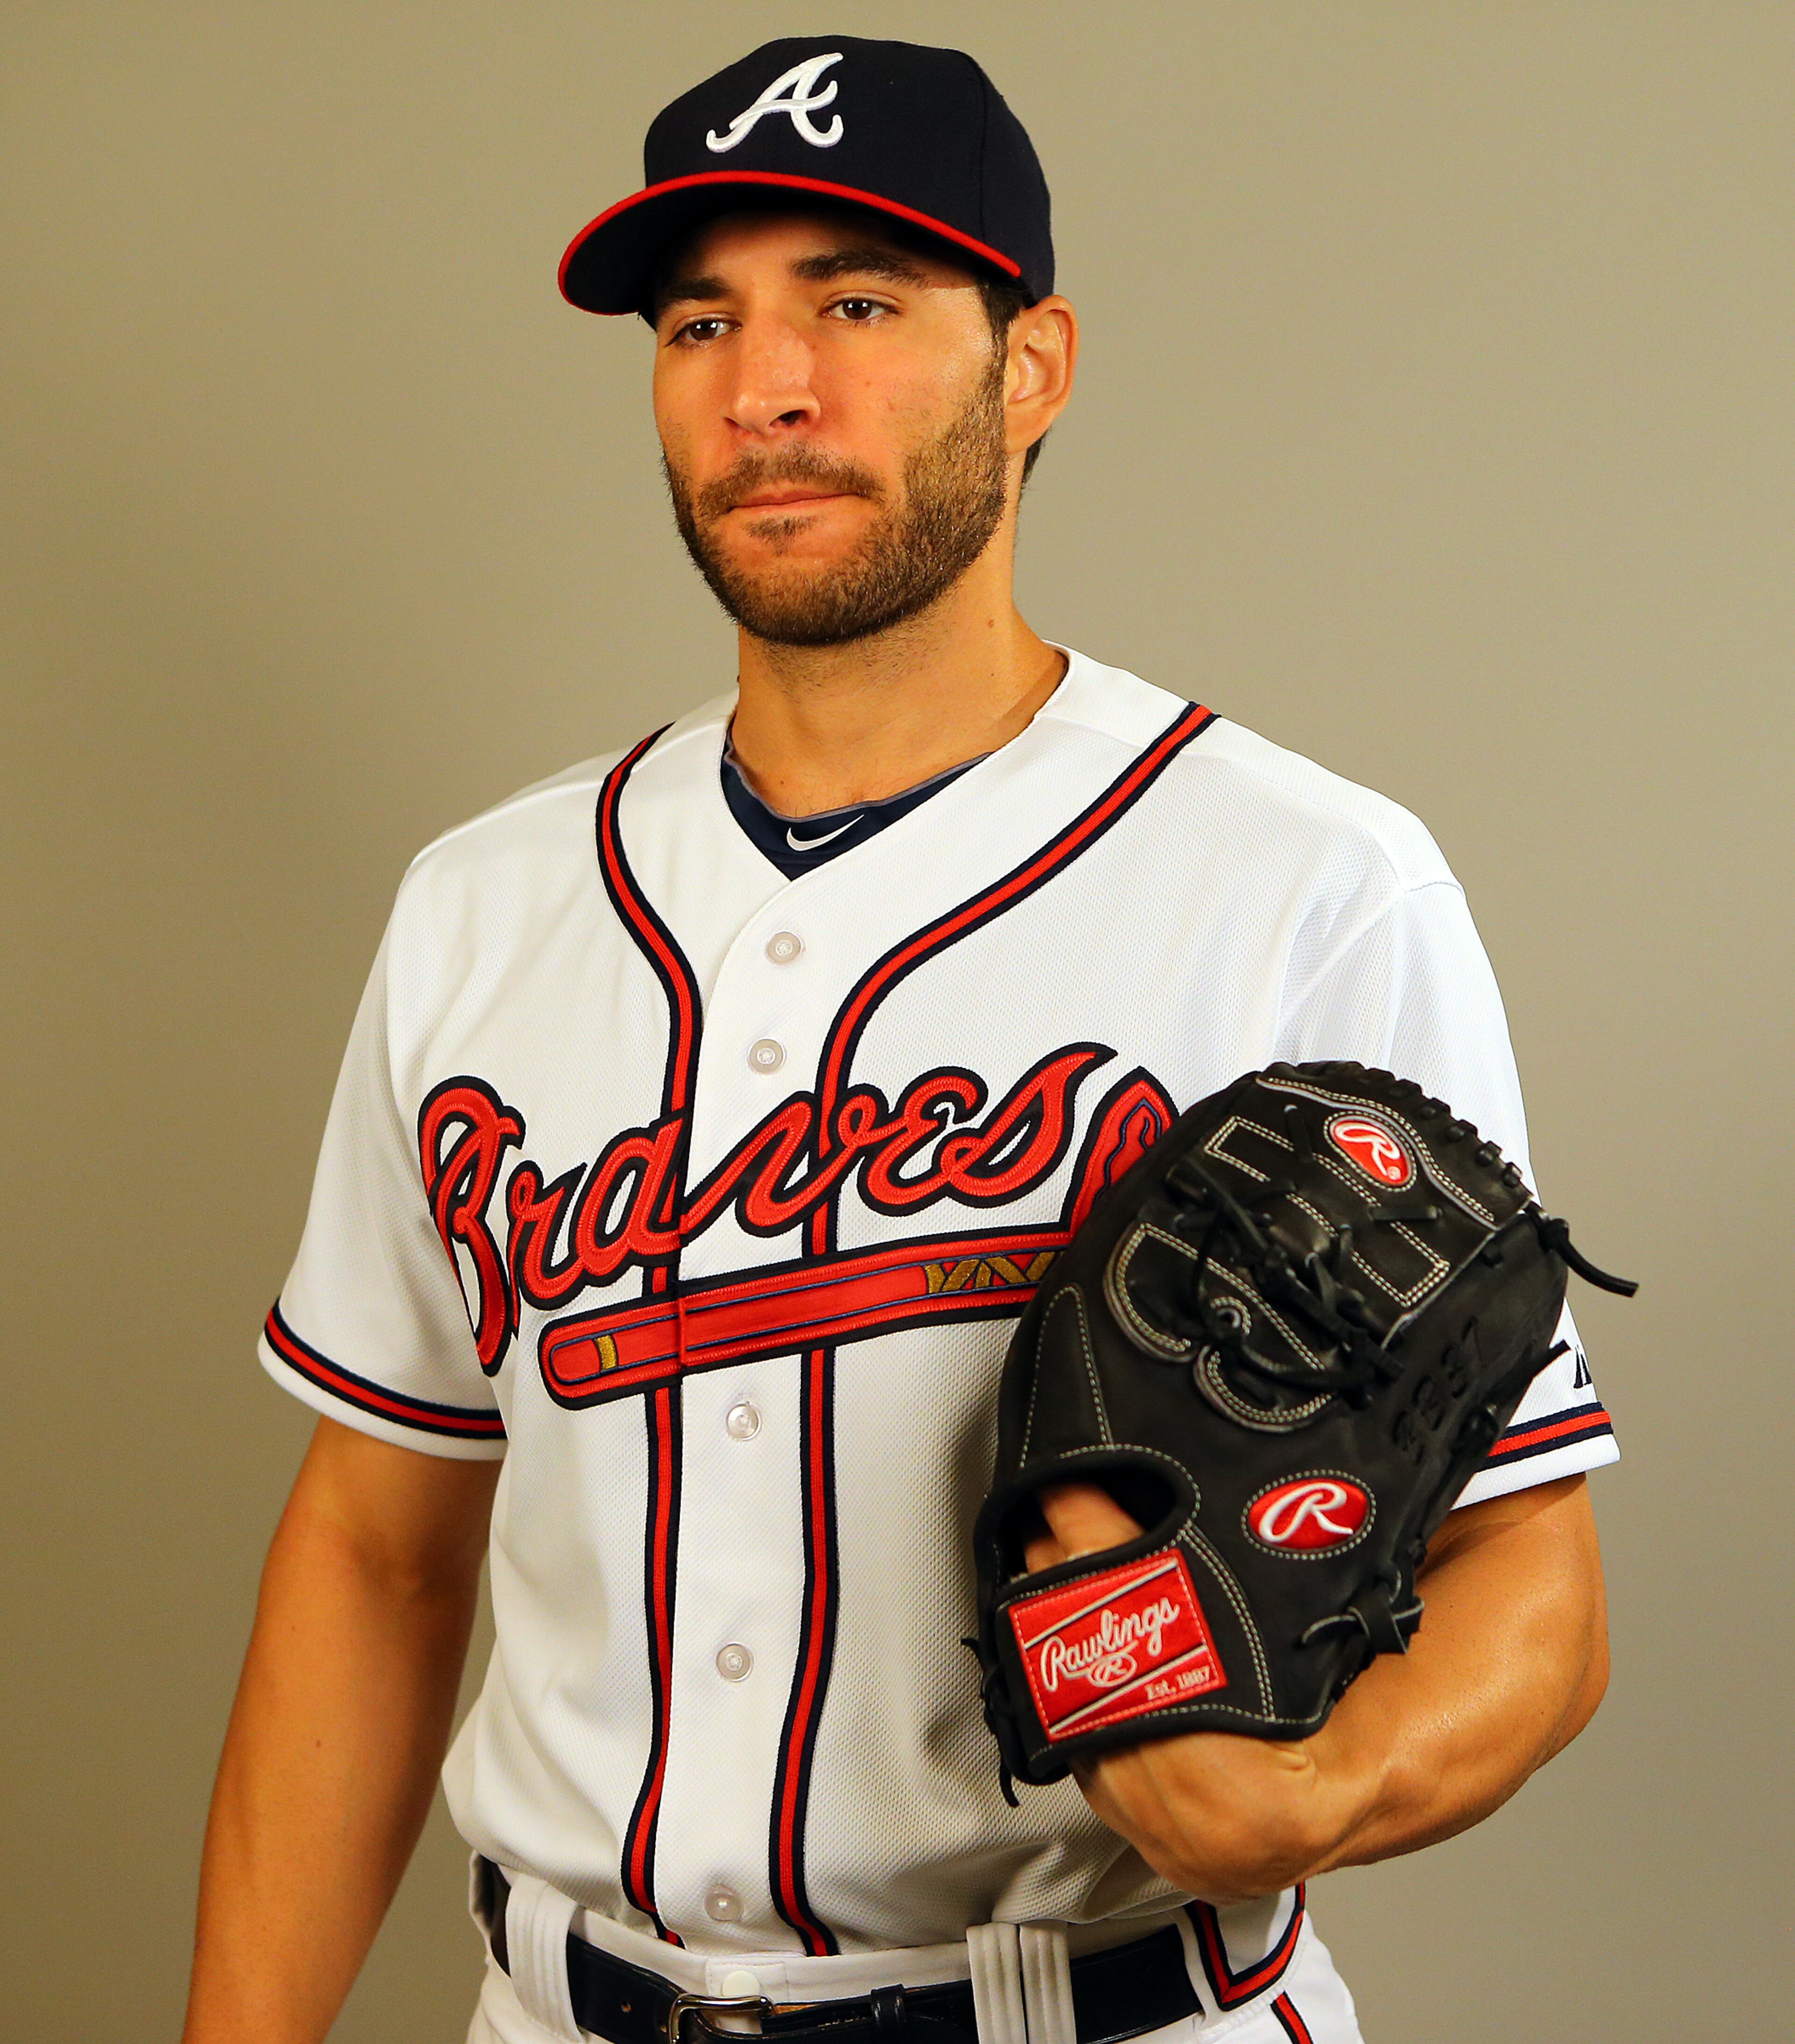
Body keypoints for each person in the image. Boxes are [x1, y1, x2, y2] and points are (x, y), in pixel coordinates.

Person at [182, 37, 1618, 2044]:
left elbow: (1531, 1573)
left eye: (857, 303)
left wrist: (1304, 1790)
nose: (768, 386)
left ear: (1032, 368)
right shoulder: (481, 910)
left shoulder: (1302, 882)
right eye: (704, 321)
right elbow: (376, 1556)